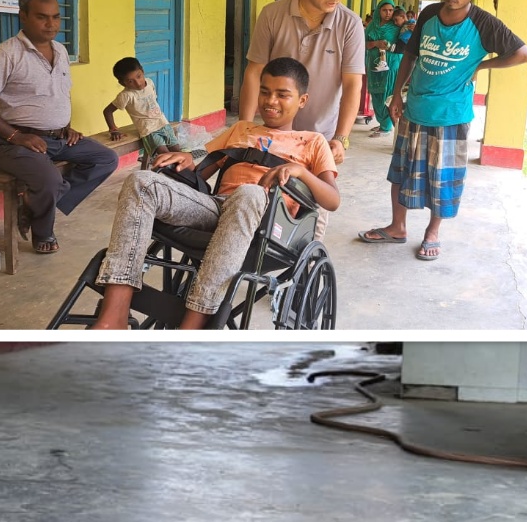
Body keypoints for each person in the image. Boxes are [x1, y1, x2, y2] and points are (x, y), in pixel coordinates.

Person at [81, 58, 346, 331]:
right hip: (218, 208)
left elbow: (332, 200)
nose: (270, 101)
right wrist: (185, 158)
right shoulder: (242, 129)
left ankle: (194, 323)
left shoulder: (313, 142)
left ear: (302, 100)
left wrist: (300, 172)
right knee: (141, 182)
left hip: (267, 225)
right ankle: (114, 314)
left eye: (282, 94)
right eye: (265, 91)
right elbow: (202, 164)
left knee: (250, 194)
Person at [368, 0, 527, 262]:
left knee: (441, 180)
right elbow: (410, 56)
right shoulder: (430, 14)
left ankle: (432, 233)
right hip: (415, 108)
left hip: (450, 116)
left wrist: (481, 66)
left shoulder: (483, 24)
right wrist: (397, 95)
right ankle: (397, 227)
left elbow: (523, 54)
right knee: (400, 172)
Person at [0, 0, 118, 255]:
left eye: (56, 17)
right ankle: (43, 230)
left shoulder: (60, 50)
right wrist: (16, 136)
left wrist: (65, 127)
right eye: (42, 17)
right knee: (49, 181)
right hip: (12, 142)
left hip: (58, 137)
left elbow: (58, 94)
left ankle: (34, 206)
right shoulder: (5, 54)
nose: (51, 24)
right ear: (23, 16)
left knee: (106, 159)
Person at [241, 0, 363, 139]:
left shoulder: (350, 24)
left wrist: (340, 138)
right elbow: (255, 72)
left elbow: (352, 84)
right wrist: (244, 128)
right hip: (275, 134)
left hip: (321, 137)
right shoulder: (272, 15)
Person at [92, 57, 179, 158]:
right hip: (148, 129)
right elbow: (107, 111)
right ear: (122, 83)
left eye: (139, 76)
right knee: (165, 155)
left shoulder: (150, 83)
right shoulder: (126, 95)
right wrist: (113, 130)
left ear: (142, 71)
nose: (138, 83)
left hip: (163, 123)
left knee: (178, 152)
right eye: (130, 81)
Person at [365, 1, 405, 136]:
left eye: (391, 10)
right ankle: (382, 122)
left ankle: (386, 126)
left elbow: (405, 43)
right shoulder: (372, 26)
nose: (388, 13)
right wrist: (376, 43)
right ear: (378, 11)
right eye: (384, 10)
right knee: (375, 93)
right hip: (374, 64)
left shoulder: (397, 27)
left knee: (387, 93)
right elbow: (364, 43)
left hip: (391, 65)